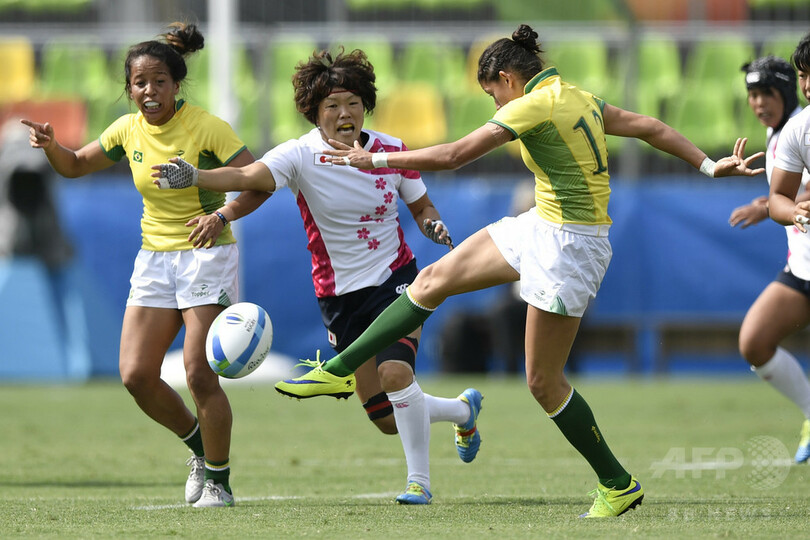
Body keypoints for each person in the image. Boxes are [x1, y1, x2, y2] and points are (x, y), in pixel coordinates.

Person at [277, 24, 765, 518]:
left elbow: (452, 156)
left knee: (542, 382)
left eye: (492, 95)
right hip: (541, 224)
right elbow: (649, 127)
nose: (495, 107)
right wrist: (707, 165)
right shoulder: (580, 96)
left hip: (571, 247)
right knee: (431, 281)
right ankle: (339, 371)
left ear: (508, 79)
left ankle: (618, 484)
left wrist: (373, 159)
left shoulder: (531, 104)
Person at [152, 47, 483, 505]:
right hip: (339, 298)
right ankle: (462, 410)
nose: (345, 113)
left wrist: (432, 223)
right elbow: (250, 176)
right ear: (315, 113)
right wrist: (200, 181)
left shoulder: (391, 150)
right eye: (332, 106)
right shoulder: (300, 155)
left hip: (397, 282)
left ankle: (419, 484)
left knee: (393, 372)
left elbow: (420, 205)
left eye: (352, 103)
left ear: (365, 105)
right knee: (384, 417)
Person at [21, 22, 270, 508]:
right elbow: (74, 165)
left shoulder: (206, 127)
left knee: (199, 373)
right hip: (154, 259)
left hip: (207, 254)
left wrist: (220, 214)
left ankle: (219, 483)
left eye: (159, 81)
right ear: (129, 87)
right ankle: (200, 446)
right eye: (140, 82)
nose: (149, 91)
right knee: (135, 375)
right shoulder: (126, 129)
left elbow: (258, 180)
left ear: (177, 86)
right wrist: (52, 146)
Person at [729, 55, 810, 464]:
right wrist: (769, 202)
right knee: (755, 342)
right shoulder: (782, 133)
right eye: (752, 94)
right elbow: (794, 195)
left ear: (786, 92)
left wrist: (771, 205)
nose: (759, 102)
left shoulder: (801, 127)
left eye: (767, 93)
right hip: (803, 265)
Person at [762, 34, 810, 463]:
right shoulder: (799, 129)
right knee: (754, 340)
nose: (808, 84)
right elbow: (779, 196)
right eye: (803, 75)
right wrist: (795, 212)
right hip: (804, 267)